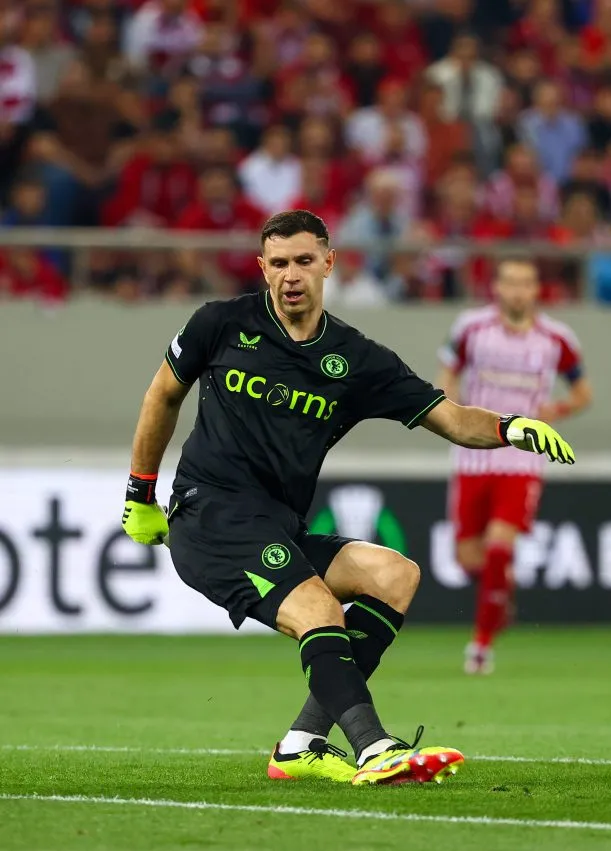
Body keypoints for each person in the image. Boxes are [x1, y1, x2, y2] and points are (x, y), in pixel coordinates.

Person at [120, 210, 575, 787]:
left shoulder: (355, 359)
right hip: (211, 515)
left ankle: (302, 743)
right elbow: (162, 395)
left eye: (304, 261)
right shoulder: (220, 323)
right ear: (262, 269)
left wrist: (511, 428)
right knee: (317, 608)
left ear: (329, 264)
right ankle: (373, 746)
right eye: (279, 263)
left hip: (278, 524)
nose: (291, 275)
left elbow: (454, 420)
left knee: (395, 575)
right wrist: (141, 492)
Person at [436, 258, 592, 674]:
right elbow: (446, 375)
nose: (518, 291)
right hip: (472, 454)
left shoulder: (556, 339)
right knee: (469, 558)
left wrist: (555, 410)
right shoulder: (471, 328)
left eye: (526, 283)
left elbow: (582, 392)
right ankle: (500, 596)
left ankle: (481, 645)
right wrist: (448, 412)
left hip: (521, 459)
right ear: (497, 289)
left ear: (536, 289)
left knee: (499, 545)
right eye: (510, 283)